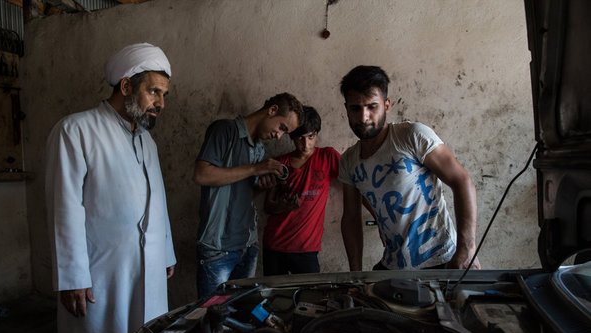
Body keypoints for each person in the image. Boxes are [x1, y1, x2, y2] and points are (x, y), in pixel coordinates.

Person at [45, 43, 177, 333]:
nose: (160, 103)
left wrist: (167, 254)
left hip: (145, 266)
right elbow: (65, 207)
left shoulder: (147, 141)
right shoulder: (76, 130)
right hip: (100, 273)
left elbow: (157, 199)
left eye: (164, 95)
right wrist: (72, 276)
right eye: (154, 92)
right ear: (126, 85)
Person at [338, 65, 480, 271]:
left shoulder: (411, 136)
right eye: (355, 108)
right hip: (394, 266)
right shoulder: (348, 161)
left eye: (372, 107)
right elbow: (351, 218)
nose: (363, 117)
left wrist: (467, 250)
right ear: (346, 109)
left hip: (440, 260)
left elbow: (462, 182)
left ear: (387, 105)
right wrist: (355, 274)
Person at [193, 93, 304, 298]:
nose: (279, 136)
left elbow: (243, 193)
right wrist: (255, 169)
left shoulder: (259, 149)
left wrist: (263, 184)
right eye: (281, 127)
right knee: (213, 319)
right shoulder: (224, 130)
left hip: (247, 245)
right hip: (218, 249)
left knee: (242, 317)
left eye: (284, 133)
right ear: (272, 110)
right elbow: (201, 175)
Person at [262, 106, 340, 276]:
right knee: (274, 299)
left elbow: (354, 183)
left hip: (306, 249)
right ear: (291, 137)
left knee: (310, 298)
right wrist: (284, 206)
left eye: (311, 137)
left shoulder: (328, 157)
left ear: (317, 134)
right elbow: (268, 207)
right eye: (300, 138)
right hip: (275, 245)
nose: (306, 144)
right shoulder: (280, 164)